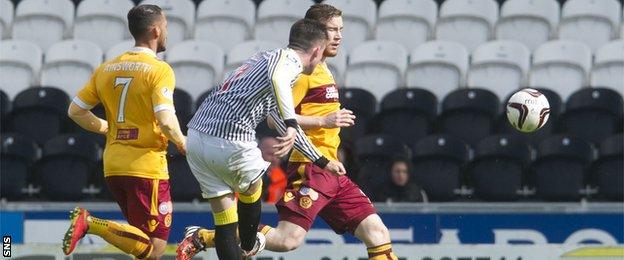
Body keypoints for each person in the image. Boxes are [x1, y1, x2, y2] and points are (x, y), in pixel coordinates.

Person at [177, 4, 400, 260]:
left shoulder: (322, 68)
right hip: (310, 167)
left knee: (377, 233)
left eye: (341, 29)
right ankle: (204, 237)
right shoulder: (301, 73)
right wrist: (322, 121)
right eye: (332, 30)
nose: (338, 36)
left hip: (331, 168)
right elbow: (275, 120)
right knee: (287, 240)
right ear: (316, 33)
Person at [62, 5, 186, 259]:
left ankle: (91, 224)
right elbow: (166, 119)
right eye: (165, 29)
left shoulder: (107, 68)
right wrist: (183, 143)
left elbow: (75, 111)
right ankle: (90, 223)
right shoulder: (160, 70)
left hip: (114, 165)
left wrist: (107, 127)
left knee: (139, 243)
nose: (166, 34)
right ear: (155, 30)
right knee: (155, 248)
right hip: (146, 167)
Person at [258, 136, 288, 204]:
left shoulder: (285, 182)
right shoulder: (244, 177)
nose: (274, 159)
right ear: (258, 153)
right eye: (270, 154)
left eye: (277, 155)